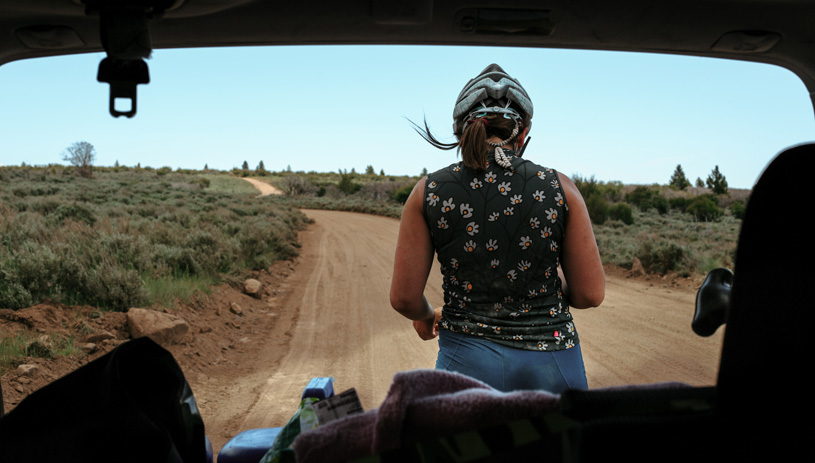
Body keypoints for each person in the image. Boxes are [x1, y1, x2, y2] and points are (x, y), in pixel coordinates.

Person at [390, 64, 605, 393]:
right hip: (553, 363)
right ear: (522, 132)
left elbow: (404, 299)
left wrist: (427, 314)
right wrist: (546, 280)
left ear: (461, 132)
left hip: (465, 363)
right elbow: (590, 294)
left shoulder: (428, 191)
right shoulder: (561, 188)